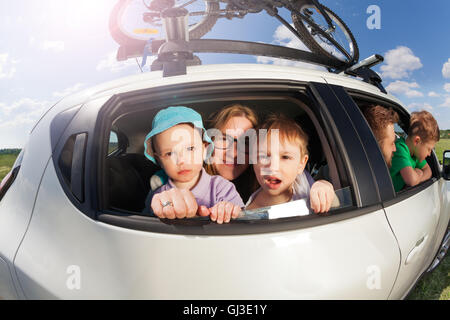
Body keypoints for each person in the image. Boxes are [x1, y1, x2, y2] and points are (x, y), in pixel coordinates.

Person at [149, 104, 336, 221]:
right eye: (224, 139)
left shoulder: (268, 181)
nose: (234, 151)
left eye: (246, 142)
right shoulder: (175, 178)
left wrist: (323, 184)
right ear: (208, 144)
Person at [143, 106, 244, 222]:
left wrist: (228, 210)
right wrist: (157, 210)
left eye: (190, 149)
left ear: (204, 149)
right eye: (170, 153)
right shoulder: (158, 195)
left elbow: (243, 218)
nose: (181, 160)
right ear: (159, 160)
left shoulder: (222, 188)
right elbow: (146, 224)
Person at [246, 115, 315, 209]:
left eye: (285, 157)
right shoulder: (250, 211)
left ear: (301, 164)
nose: (273, 167)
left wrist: (324, 186)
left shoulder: (303, 181)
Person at [390, 110, 439, 192]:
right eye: (429, 149)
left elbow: (429, 171)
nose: (429, 154)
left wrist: (418, 176)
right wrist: (419, 173)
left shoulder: (415, 155)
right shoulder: (400, 149)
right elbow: (412, 181)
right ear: (417, 141)